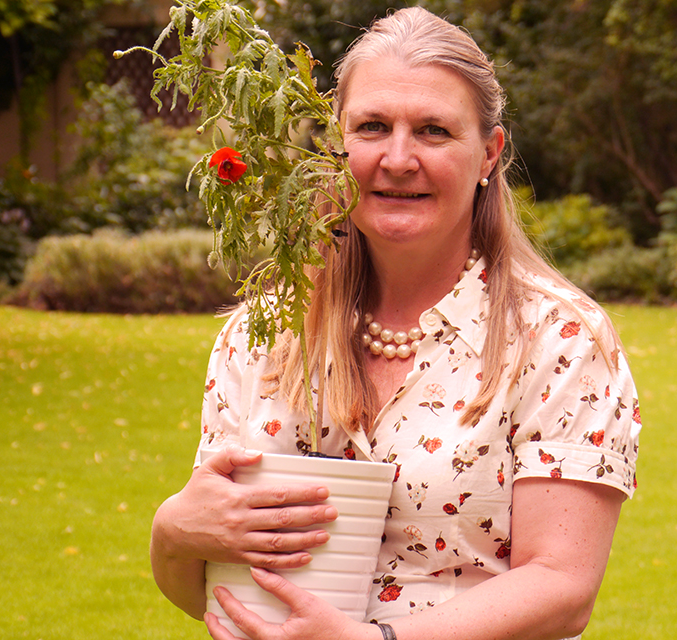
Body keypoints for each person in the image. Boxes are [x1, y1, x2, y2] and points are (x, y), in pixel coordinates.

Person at [150, 7, 641, 640]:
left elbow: (562, 584)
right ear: (338, 143)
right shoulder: (265, 332)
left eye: (434, 130)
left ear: (489, 154)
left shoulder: (560, 339)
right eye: (373, 127)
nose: (398, 158)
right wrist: (171, 531)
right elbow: (214, 583)